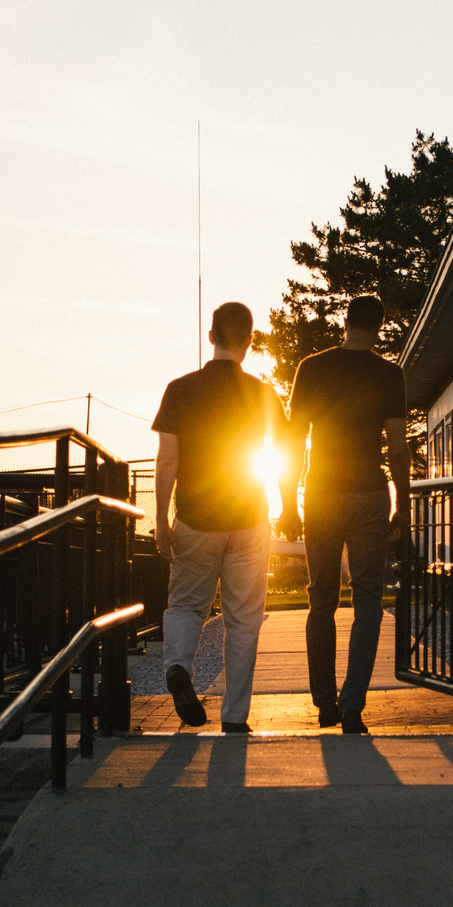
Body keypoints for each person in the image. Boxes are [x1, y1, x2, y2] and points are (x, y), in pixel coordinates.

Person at [151, 301, 283, 733]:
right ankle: (234, 718)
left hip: (195, 518)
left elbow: (167, 461)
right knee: (243, 620)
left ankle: (177, 668)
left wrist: (162, 519)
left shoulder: (179, 389)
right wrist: (287, 504)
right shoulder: (263, 393)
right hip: (249, 519)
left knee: (186, 605)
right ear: (249, 342)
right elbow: (282, 452)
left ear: (210, 337)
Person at [283, 293, 409, 733]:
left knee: (321, 598)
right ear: (378, 328)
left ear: (345, 322)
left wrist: (285, 500)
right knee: (368, 599)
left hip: (320, 493)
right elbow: (397, 449)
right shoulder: (390, 375)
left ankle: (324, 704)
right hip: (370, 495)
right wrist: (403, 509)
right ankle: (353, 704)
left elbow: (294, 440)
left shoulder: (312, 368)